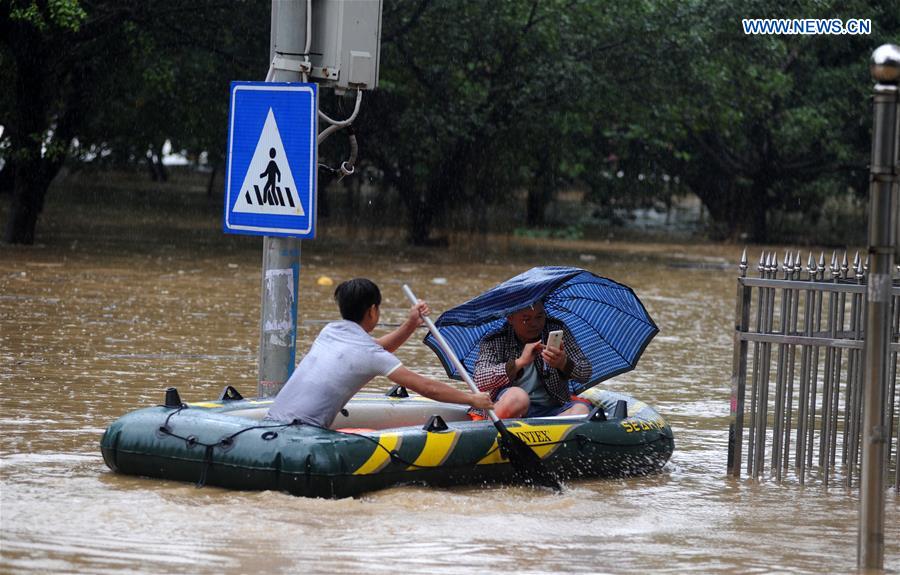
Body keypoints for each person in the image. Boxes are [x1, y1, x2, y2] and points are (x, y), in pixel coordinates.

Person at [267, 278, 493, 428]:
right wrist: (472, 398)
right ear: (372, 310)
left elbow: (376, 348)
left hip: (273, 421)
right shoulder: (369, 354)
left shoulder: (330, 331)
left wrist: (411, 323)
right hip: (301, 432)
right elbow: (426, 387)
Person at [473, 300, 591, 419]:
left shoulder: (555, 329)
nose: (534, 324)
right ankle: (491, 429)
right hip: (512, 408)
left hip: (553, 410)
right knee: (517, 398)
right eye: (526, 319)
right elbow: (480, 380)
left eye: (539, 317)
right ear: (510, 318)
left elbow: (585, 372)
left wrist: (563, 363)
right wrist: (519, 362)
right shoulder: (495, 339)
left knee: (581, 410)